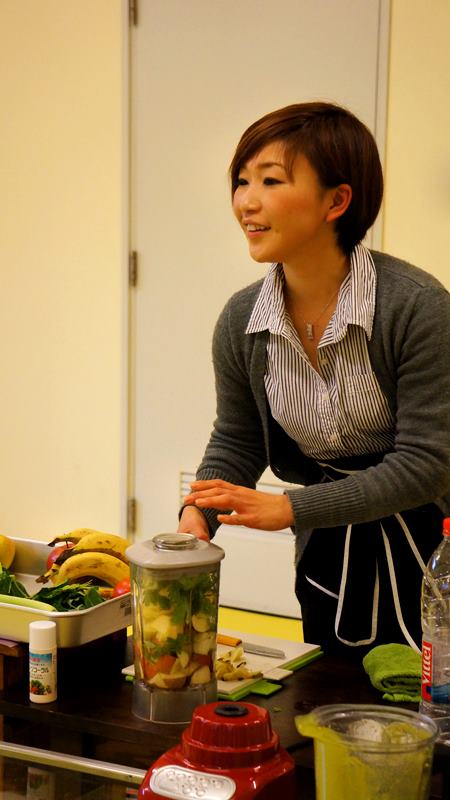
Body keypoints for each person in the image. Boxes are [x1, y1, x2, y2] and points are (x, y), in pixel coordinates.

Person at [177, 101, 450, 658]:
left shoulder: (417, 307)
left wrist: (292, 509)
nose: (246, 202)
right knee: (326, 696)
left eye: (271, 180)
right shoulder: (242, 320)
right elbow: (239, 438)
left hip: (433, 551)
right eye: (241, 181)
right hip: (329, 554)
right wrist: (196, 516)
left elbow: (427, 463)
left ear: (337, 201)